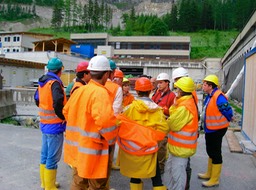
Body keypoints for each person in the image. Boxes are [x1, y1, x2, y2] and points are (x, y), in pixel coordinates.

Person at [63, 55, 118, 190]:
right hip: (94, 150)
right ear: (106, 74)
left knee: (78, 182)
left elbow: (66, 111)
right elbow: (106, 122)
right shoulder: (100, 93)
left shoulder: (80, 90)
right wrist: (112, 140)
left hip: (78, 148)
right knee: (97, 185)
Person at [117, 77, 169, 190]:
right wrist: (151, 138)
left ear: (136, 91)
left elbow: (120, 124)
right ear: (150, 91)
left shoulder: (129, 109)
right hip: (149, 148)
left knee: (135, 175)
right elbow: (164, 129)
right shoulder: (157, 110)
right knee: (156, 177)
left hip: (133, 148)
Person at [34, 57, 67, 190]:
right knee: (52, 158)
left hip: (45, 123)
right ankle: (49, 187)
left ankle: (45, 183)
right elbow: (58, 102)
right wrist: (62, 116)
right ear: (60, 70)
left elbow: (36, 99)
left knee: (45, 155)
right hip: (55, 125)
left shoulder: (43, 82)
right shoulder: (54, 83)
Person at [198, 74, 233, 187]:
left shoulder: (219, 96)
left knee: (216, 153)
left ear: (210, 86)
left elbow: (227, 111)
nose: (202, 86)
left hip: (217, 129)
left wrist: (229, 117)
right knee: (211, 151)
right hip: (211, 129)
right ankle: (209, 173)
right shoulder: (210, 95)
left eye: (204, 85)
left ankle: (215, 179)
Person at [164, 77, 199, 190]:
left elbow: (172, 124)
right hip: (177, 148)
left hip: (181, 149)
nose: (175, 91)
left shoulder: (185, 107)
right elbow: (172, 114)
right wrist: (174, 105)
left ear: (181, 90)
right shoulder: (185, 102)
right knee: (170, 170)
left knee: (178, 176)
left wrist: (166, 119)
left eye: (177, 89)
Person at [152, 72, 176, 174]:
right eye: (158, 83)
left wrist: (164, 110)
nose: (159, 84)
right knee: (153, 145)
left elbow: (173, 112)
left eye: (161, 82)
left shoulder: (172, 96)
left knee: (161, 146)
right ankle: (154, 165)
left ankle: (160, 167)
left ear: (167, 83)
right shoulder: (156, 93)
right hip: (154, 123)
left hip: (164, 124)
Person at [105, 60, 123, 170]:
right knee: (107, 157)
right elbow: (116, 112)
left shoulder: (89, 86)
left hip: (92, 128)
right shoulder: (116, 88)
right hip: (109, 127)